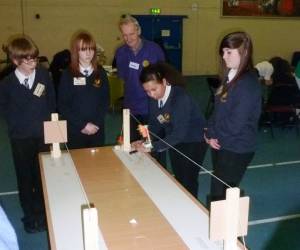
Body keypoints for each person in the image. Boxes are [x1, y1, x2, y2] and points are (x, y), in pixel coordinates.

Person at [0, 35, 56, 233]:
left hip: (43, 137)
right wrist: (19, 125)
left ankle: (43, 214)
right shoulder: (7, 84)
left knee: (42, 176)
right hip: (21, 139)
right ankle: (30, 217)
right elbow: (5, 111)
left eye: (35, 57)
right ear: (16, 60)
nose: (34, 62)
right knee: (25, 179)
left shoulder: (43, 76)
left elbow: (51, 104)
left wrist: (52, 129)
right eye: (28, 59)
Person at [133, 63, 207, 198]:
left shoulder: (180, 99)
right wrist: (145, 141)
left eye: (154, 89)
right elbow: (154, 124)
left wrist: (152, 147)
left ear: (165, 82)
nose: (151, 94)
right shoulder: (154, 98)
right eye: (147, 91)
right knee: (179, 177)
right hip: (174, 139)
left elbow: (179, 134)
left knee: (188, 180)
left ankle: (191, 209)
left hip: (193, 141)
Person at [204, 31, 261, 202]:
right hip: (223, 142)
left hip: (237, 147)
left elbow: (235, 124)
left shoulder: (247, 84)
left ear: (244, 53)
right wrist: (208, 130)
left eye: (229, 52)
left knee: (222, 195)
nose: (224, 56)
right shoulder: (230, 77)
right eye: (223, 52)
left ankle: (230, 229)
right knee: (221, 191)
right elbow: (218, 111)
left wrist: (211, 133)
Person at [115, 14, 165, 141]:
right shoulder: (120, 53)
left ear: (138, 31)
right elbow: (123, 77)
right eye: (125, 35)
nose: (128, 38)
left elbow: (164, 78)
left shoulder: (154, 50)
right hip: (131, 107)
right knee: (131, 146)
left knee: (152, 146)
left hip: (151, 107)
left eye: (131, 34)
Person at [57, 31, 110, 149]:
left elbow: (105, 101)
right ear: (76, 52)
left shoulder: (100, 73)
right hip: (75, 130)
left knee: (96, 164)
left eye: (91, 49)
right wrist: (83, 125)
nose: (88, 53)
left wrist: (96, 123)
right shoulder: (68, 74)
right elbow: (63, 105)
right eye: (83, 49)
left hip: (97, 130)